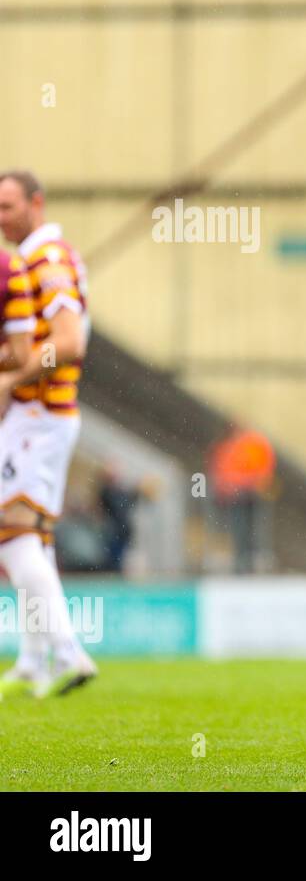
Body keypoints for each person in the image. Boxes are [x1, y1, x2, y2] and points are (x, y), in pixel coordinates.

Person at [0, 170, 97, 698]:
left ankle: (68, 652)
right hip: (45, 417)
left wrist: (11, 377)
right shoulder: (43, 256)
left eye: (8, 206)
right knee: (32, 536)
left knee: (11, 534)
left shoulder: (46, 259)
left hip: (39, 416)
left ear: (36, 202)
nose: (1, 219)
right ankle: (36, 659)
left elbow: (69, 341)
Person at [209, 424, 276, 574]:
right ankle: (243, 560)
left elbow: (264, 466)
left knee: (253, 527)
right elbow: (221, 470)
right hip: (236, 493)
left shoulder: (251, 444)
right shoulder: (229, 445)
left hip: (250, 492)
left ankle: (252, 559)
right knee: (240, 528)